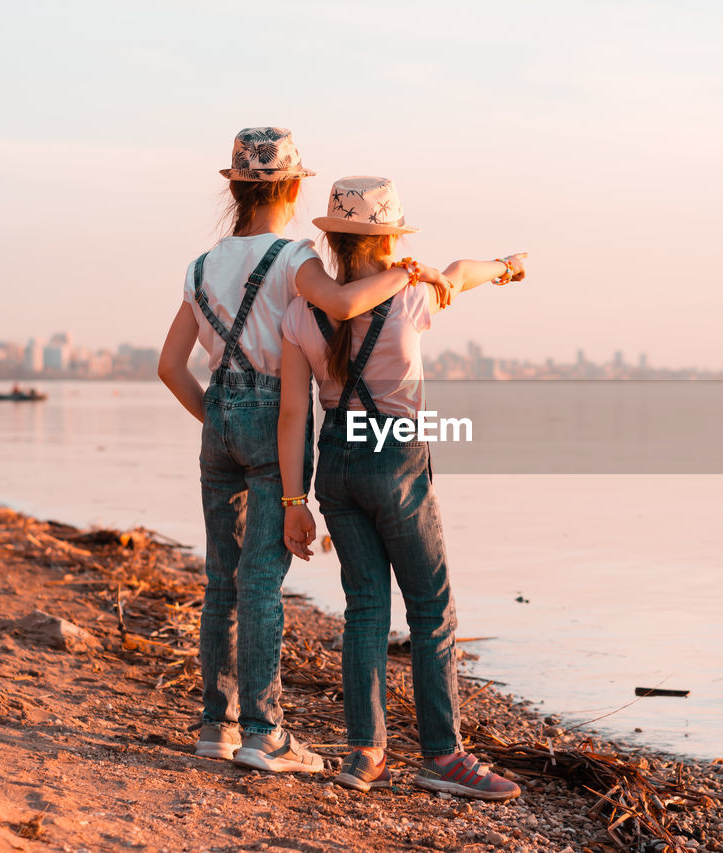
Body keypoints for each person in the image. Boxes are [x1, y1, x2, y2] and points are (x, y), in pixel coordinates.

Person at [158, 130, 453, 773]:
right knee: (260, 581)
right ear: (293, 188)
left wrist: (218, 416)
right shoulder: (295, 258)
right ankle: (264, 732)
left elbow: (169, 366)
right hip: (276, 418)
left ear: (235, 188)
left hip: (219, 423)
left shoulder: (200, 266)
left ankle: (216, 725)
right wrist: (409, 271)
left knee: (220, 580)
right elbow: (346, 304)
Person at [277, 175, 526, 800]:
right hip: (394, 455)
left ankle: (365, 753)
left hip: (334, 461)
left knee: (365, 607)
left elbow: (291, 416)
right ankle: (443, 757)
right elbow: (463, 271)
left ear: (333, 241)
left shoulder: (298, 310)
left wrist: (293, 501)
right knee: (431, 611)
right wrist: (506, 267)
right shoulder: (412, 292)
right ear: (388, 239)